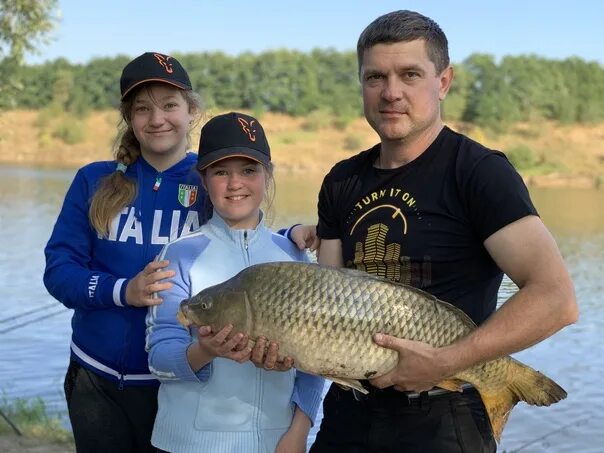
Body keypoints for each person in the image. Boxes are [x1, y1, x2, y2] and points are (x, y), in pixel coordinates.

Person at [310, 10, 578, 453]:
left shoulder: (477, 172)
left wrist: (442, 362)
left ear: (444, 82)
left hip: (445, 416)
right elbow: (325, 294)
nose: (391, 92)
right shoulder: (341, 180)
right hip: (349, 411)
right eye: (375, 77)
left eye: (410, 74)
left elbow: (557, 299)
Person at [43, 52, 314, 453]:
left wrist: (291, 236)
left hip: (177, 385)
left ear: (191, 111)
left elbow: (240, 237)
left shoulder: (206, 176)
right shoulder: (94, 180)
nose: (157, 119)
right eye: (142, 109)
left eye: (170, 105)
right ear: (129, 118)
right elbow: (59, 271)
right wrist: (123, 290)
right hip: (98, 380)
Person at [145, 111, 325, 453]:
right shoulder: (178, 255)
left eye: (248, 170)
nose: (235, 183)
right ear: (203, 178)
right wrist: (205, 351)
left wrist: (299, 432)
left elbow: (318, 362)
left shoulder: (296, 255)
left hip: (278, 442)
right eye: (220, 172)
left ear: (267, 175)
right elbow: (159, 358)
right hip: (189, 443)